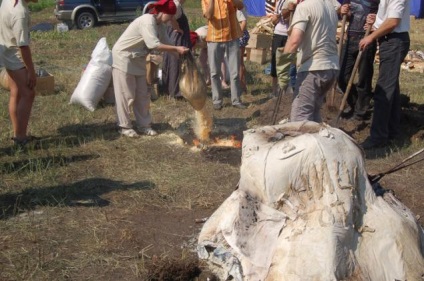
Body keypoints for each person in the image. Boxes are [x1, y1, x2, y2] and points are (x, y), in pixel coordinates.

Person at [111, 0, 189, 137]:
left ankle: (144, 125)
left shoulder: (162, 26)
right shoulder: (147, 21)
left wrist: (182, 58)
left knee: (143, 95)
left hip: (138, 59)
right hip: (124, 58)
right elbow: (154, 45)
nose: (171, 19)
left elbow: (168, 43)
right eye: (170, 16)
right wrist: (177, 48)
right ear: (162, 12)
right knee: (126, 94)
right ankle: (124, 126)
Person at [278, 0, 340, 122]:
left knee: (299, 117)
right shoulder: (330, 7)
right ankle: (319, 139)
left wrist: (282, 68)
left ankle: (301, 141)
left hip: (313, 69)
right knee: (313, 113)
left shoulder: (304, 7)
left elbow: (294, 40)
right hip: (331, 67)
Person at [359, 0, 410, 149]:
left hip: (394, 41)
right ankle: (392, 131)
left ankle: (378, 137)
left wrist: (371, 36)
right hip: (389, 41)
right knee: (391, 88)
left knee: (383, 90)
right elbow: (387, 18)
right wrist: (375, 21)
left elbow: (393, 21)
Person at [0, 0, 38, 147]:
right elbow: (23, 47)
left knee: (16, 91)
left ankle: (18, 134)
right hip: (15, 56)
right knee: (28, 93)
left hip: (6, 51)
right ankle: (21, 138)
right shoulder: (19, 13)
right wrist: (31, 72)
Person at [201, 0, 247, 110]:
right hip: (214, 37)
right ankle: (217, 100)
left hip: (232, 35)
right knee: (214, 72)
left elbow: (241, 6)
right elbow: (208, 15)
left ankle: (236, 100)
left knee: (234, 71)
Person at [338, 0, 379, 121]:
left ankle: (360, 111)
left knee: (364, 79)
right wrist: (344, 12)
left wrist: (376, 21)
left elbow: (383, 15)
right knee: (341, 76)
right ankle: (356, 104)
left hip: (367, 38)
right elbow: (348, 15)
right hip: (351, 38)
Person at [162, 0, 191, 99]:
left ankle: (171, 89)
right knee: (176, 62)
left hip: (173, 36)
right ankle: (176, 90)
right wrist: (178, 28)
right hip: (177, 37)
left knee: (172, 60)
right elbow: (172, 18)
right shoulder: (176, 4)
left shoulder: (175, 3)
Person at [269, 0, 294, 97]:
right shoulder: (280, 2)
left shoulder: (297, 2)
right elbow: (274, 20)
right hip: (279, 34)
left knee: (289, 62)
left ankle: (286, 90)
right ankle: (274, 90)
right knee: (275, 61)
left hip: (290, 35)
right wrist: (282, 13)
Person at [237, 6, 250, 94]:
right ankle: (243, 85)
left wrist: (238, 35)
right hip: (240, 34)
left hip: (240, 35)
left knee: (238, 62)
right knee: (239, 62)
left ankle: (239, 86)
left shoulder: (238, 7)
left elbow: (243, 22)